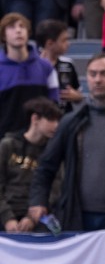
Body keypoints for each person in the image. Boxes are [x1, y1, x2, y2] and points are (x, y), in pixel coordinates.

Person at [28, 53, 105, 232]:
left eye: (104, 74)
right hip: (75, 216)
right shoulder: (70, 122)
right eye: (92, 74)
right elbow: (45, 167)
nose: (97, 79)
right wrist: (38, 201)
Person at [0, 96, 60, 232]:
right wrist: (7, 218)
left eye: (58, 120)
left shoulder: (53, 151)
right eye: (51, 120)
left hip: (39, 217)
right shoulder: (8, 145)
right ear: (35, 119)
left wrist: (31, 218)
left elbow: (55, 190)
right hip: (6, 213)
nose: (56, 125)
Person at [0, 12, 57, 138]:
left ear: (28, 32)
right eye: (12, 27)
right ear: (3, 35)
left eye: (22, 26)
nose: (18, 31)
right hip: (5, 142)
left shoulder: (46, 67)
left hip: (40, 141)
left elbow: (54, 104)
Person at [34, 18, 81, 112]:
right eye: (64, 40)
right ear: (50, 43)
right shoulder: (33, 66)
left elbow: (79, 94)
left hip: (64, 118)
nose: (68, 44)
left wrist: (76, 96)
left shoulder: (68, 64)